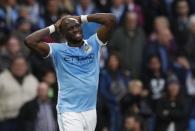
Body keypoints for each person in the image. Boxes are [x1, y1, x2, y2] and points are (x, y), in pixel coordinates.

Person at [24, 13, 116, 131]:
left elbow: (111, 19)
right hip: (69, 112)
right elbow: (29, 41)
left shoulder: (94, 43)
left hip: (90, 110)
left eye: (77, 26)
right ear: (63, 34)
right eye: (70, 28)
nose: (75, 29)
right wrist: (53, 27)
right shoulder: (58, 50)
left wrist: (82, 18)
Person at [0, 55, 38, 131]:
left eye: (22, 65)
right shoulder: (2, 78)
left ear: (26, 67)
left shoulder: (33, 80)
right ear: (11, 66)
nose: (19, 67)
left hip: (28, 122)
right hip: (7, 121)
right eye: (17, 65)